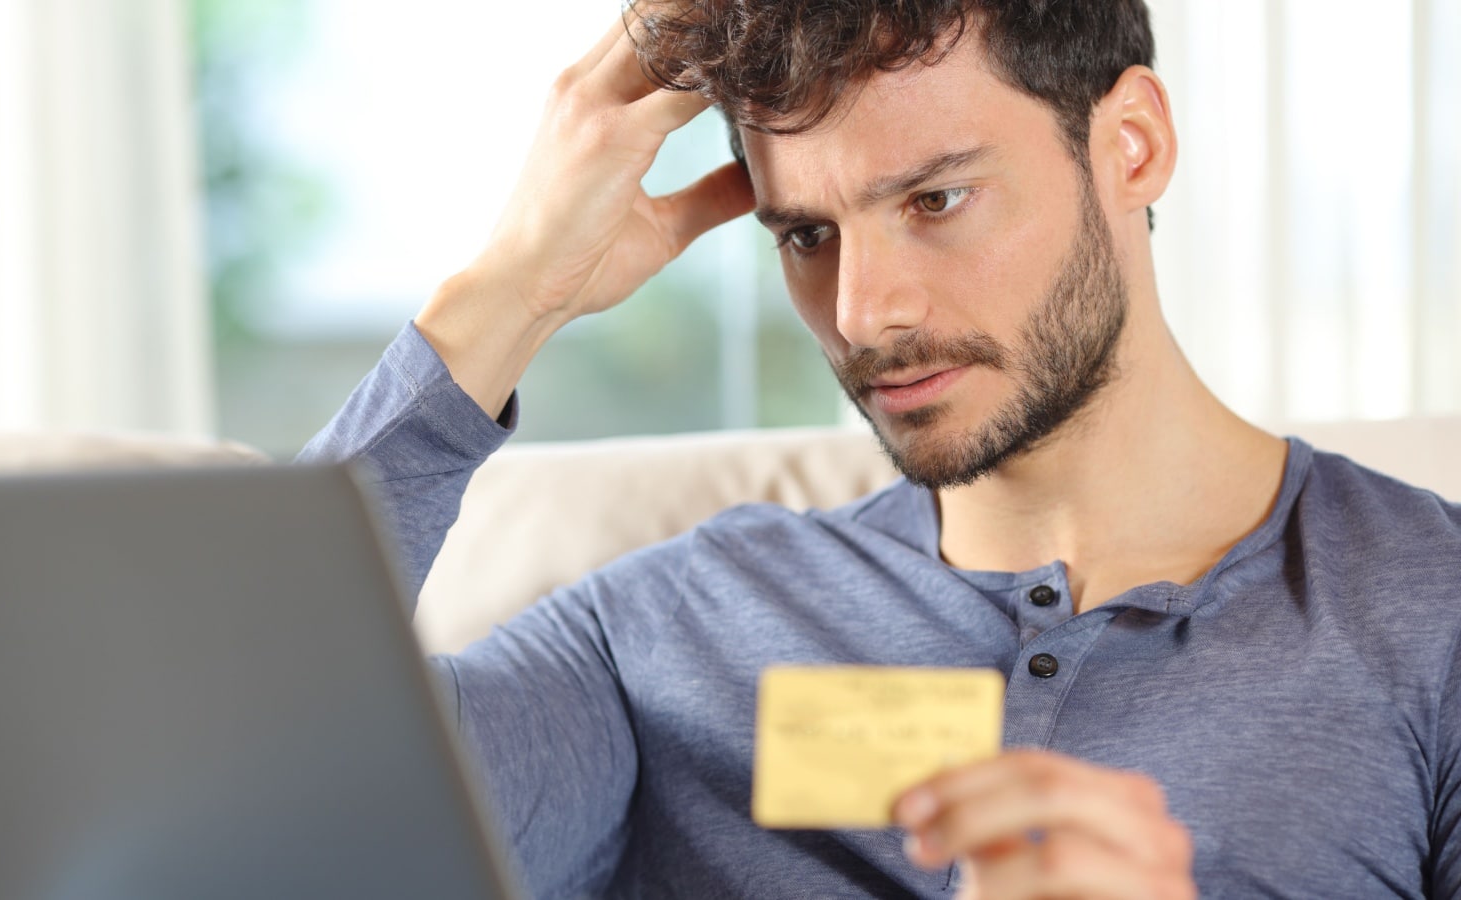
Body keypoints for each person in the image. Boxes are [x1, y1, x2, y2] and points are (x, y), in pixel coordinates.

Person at [300, 1, 1461, 896]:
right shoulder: (662, 640)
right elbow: (232, 817)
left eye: (936, 201)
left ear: (1133, 145)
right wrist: (505, 299)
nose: (863, 312)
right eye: (806, 233)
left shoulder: (1433, 615)